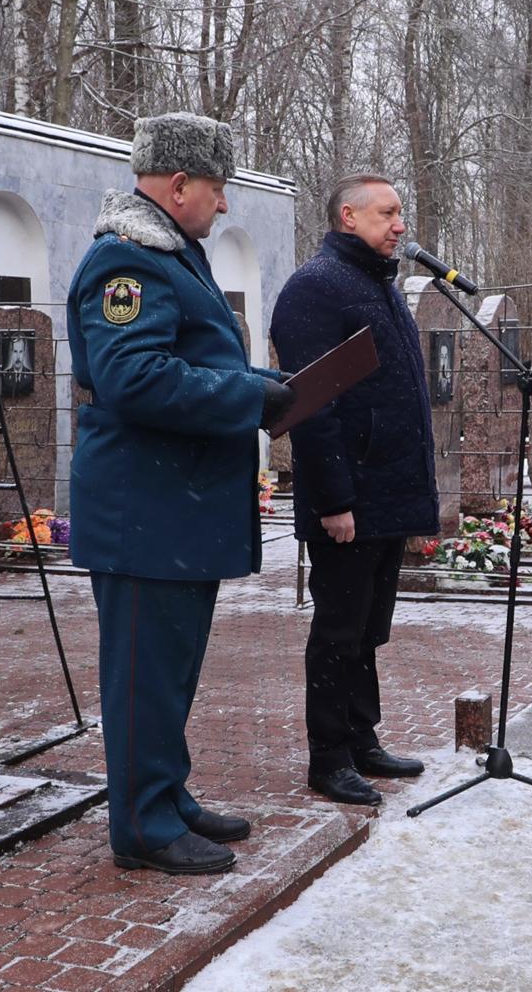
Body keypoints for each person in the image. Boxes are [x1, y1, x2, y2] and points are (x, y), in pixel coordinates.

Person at [68, 112, 294, 876]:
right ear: (179, 184)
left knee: (171, 673)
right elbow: (134, 379)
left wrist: (255, 386)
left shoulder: (174, 255)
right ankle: (141, 826)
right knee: (144, 677)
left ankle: (165, 793)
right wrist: (253, 395)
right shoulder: (124, 262)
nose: (224, 205)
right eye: (218, 189)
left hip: (175, 509)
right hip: (145, 512)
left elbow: (184, 364)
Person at [271, 173, 438, 807]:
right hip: (350, 498)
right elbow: (313, 407)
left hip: (388, 493)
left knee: (370, 628)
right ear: (349, 216)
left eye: (400, 212)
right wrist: (334, 500)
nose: (400, 224)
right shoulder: (316, 288)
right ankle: (329, 756)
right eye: (387, 213)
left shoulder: (376, 284)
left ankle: (362, 737)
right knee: (338, 630)